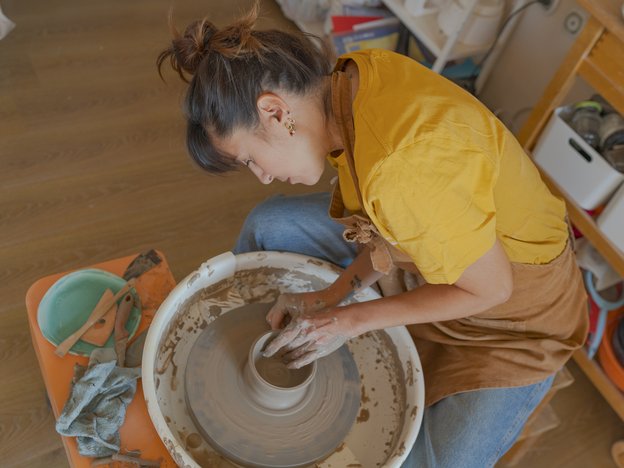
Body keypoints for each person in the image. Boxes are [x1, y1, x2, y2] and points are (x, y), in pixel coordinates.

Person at [157, 2, 588, 466]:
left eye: (248, 159)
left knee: (437, 462)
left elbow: (492, 288)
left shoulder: (400, 167)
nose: (260, 175)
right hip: (432, 252)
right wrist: (333, 296)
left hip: (511, 319)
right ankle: (252, 336)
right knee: (269, 224)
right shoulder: (348, 81)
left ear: (275, 112)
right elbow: (387, 228)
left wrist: (350, 320)